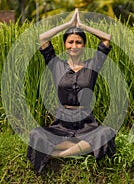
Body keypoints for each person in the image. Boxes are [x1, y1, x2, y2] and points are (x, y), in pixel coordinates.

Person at [27, 9, 116, 173]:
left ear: (83, 46)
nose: (74, 46)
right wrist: (68, 24)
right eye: (70, 42)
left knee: (106, 133)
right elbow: (42, 38)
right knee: (36, 135)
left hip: (87, 123)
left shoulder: (92, 66)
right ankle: (81, 149)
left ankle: (57, 155)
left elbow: (106, 39)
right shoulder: (56, 65)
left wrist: (82, 25)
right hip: (62, 123)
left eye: (78, 42)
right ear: (64, 45)